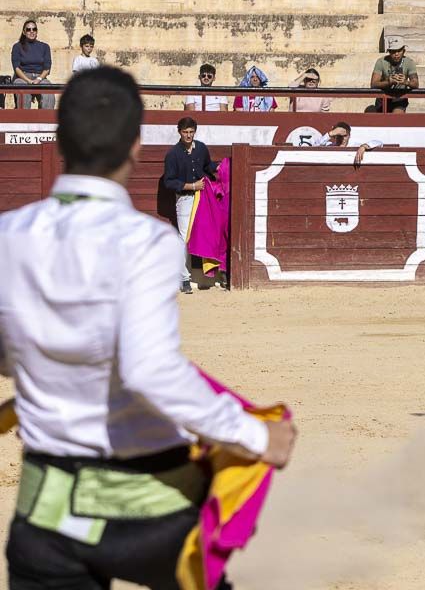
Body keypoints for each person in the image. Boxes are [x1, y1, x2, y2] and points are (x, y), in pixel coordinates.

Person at [0, 67, 296, 588]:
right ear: (136, 145)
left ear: (61, 140)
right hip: (143, 511)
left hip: (44, 516)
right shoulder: (148, 242)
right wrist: (253, 435)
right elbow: (148, 370)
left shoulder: (8, 234)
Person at [162, 116, 218, 294]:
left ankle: (209, 274)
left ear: (195, 131)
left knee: (207, 233)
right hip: (185, 198)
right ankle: (183, 277)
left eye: (191, 132)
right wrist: (192, 186)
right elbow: (169, 182)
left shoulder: (200, 148)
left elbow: (209, 166)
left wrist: (222, 169)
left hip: (203, 197)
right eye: (185, 132)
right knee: (184, 237)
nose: (188, 135)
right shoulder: (173, 154)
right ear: (179, 132)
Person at [11, 18, 54, 110]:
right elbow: (17, 68)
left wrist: (38, 79)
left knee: (49, 91)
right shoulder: (17, 47)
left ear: (37, 31)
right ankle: (24, 119)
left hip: (40, 77)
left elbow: (47, 67)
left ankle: (45, 120)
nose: (31, 31)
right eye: (28, 29)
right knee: (23, 90)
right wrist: (29, 81)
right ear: (24, 32)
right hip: (22, 77)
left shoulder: (44, 47)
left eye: (34, 29)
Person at [370, 38, 419, 113]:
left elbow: (416, 84)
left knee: (396, 117)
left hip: (400, 97)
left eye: (399, 50)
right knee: (374, 115)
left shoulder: (409, 62)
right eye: (393, 51)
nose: (396, 54)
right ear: (389, 52)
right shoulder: (381, 62)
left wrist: (406, 82)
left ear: (404, 51)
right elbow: (373, 84)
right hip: (383, 97)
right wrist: (389, 82)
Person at [309, 121, 382, 166]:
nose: (342, 139)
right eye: (339, 135)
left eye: (345, 136)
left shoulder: (356, 146)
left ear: (349, 136)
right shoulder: (329, 145)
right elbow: (314, 146)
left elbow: (379, 143)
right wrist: (331, 133)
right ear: (334, 136)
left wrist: (364, 147)